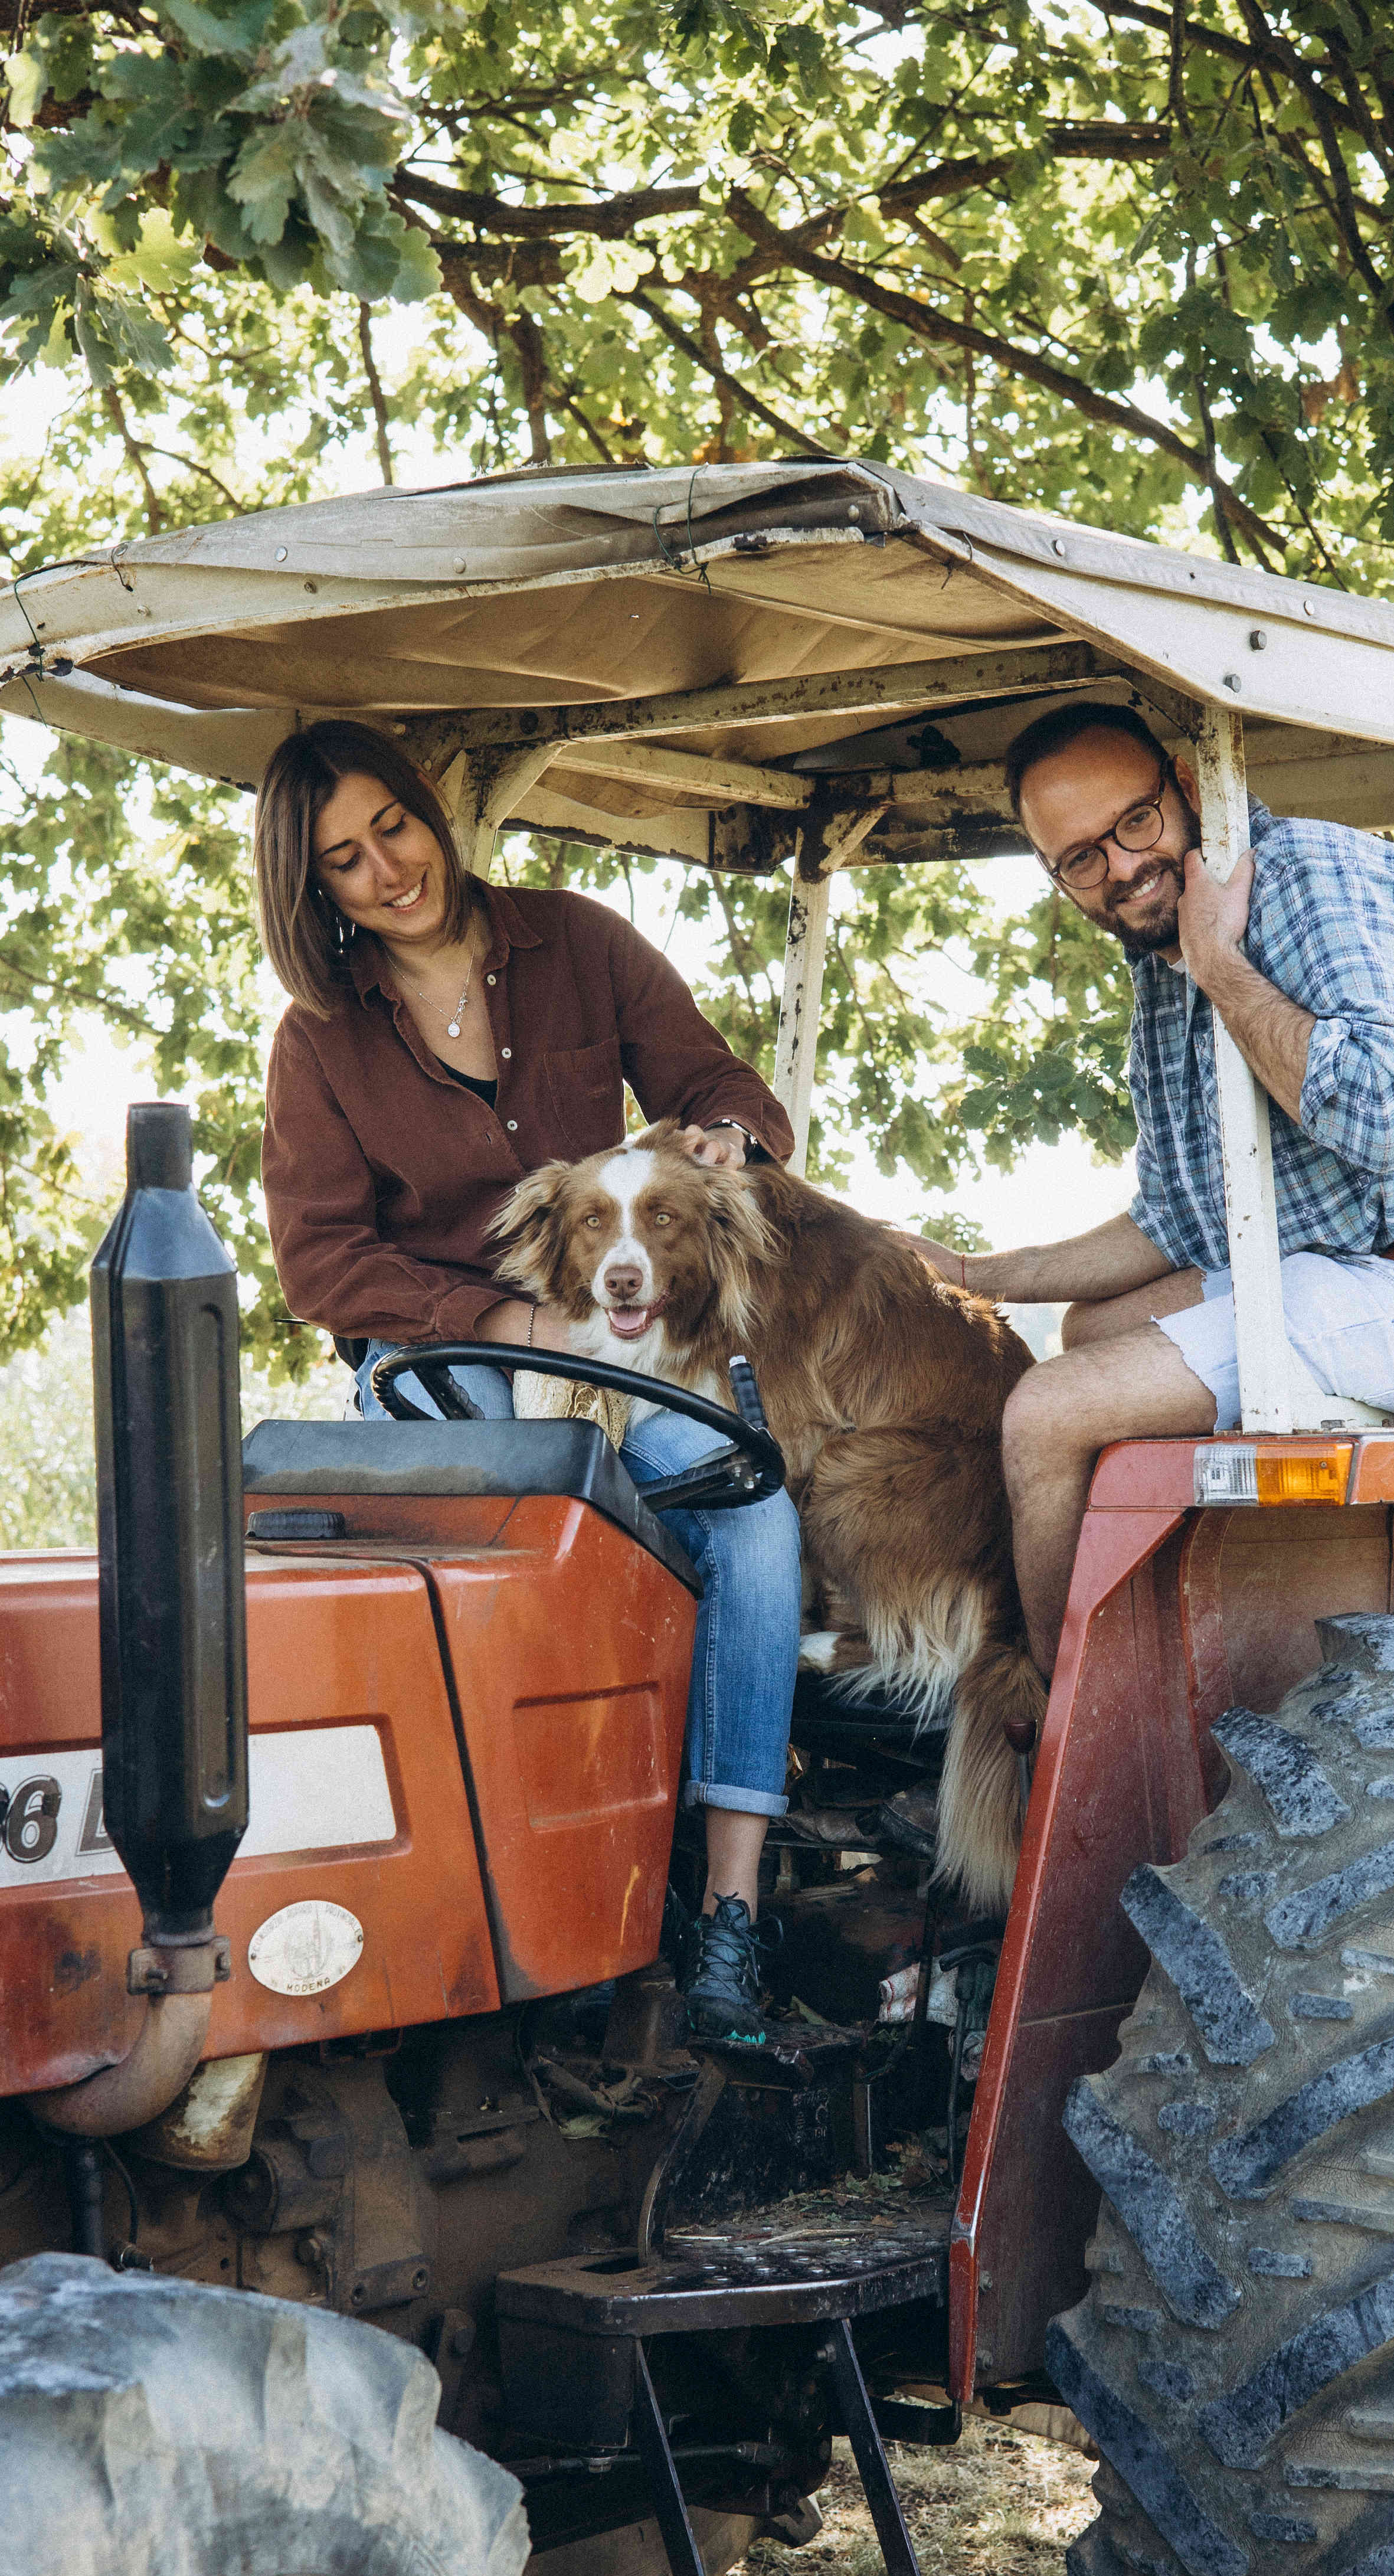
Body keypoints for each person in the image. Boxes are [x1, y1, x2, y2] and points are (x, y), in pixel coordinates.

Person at [254, 717, 799, 2040]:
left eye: (392, 825)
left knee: (752, 1511)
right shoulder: (318, 1042)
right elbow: (323, 1265)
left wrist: (729, 1135)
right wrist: (501, 1316)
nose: (388, 869)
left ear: (429, 809)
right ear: (313, 891)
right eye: (343, 861)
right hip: (446, 1350)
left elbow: (721, 1084)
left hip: (621, 1336)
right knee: (557, 1509)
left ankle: (727, 1915)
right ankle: (523, 1892)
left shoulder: (582, 942)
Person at [922, 702, 1394, 1674]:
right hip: (1337, 1277)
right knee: (1089, 1334)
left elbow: (1377, 1116)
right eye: (1081, 859)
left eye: (1134, 822)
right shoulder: (1162, 953)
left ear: (1185, 785)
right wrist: (971, 1272)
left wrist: (1223, 966)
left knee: (1047, 1414)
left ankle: (1058, 1720)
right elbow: (1178, 1220)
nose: (1121, 868)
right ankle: (1168, 1643)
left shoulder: (1312, 879)